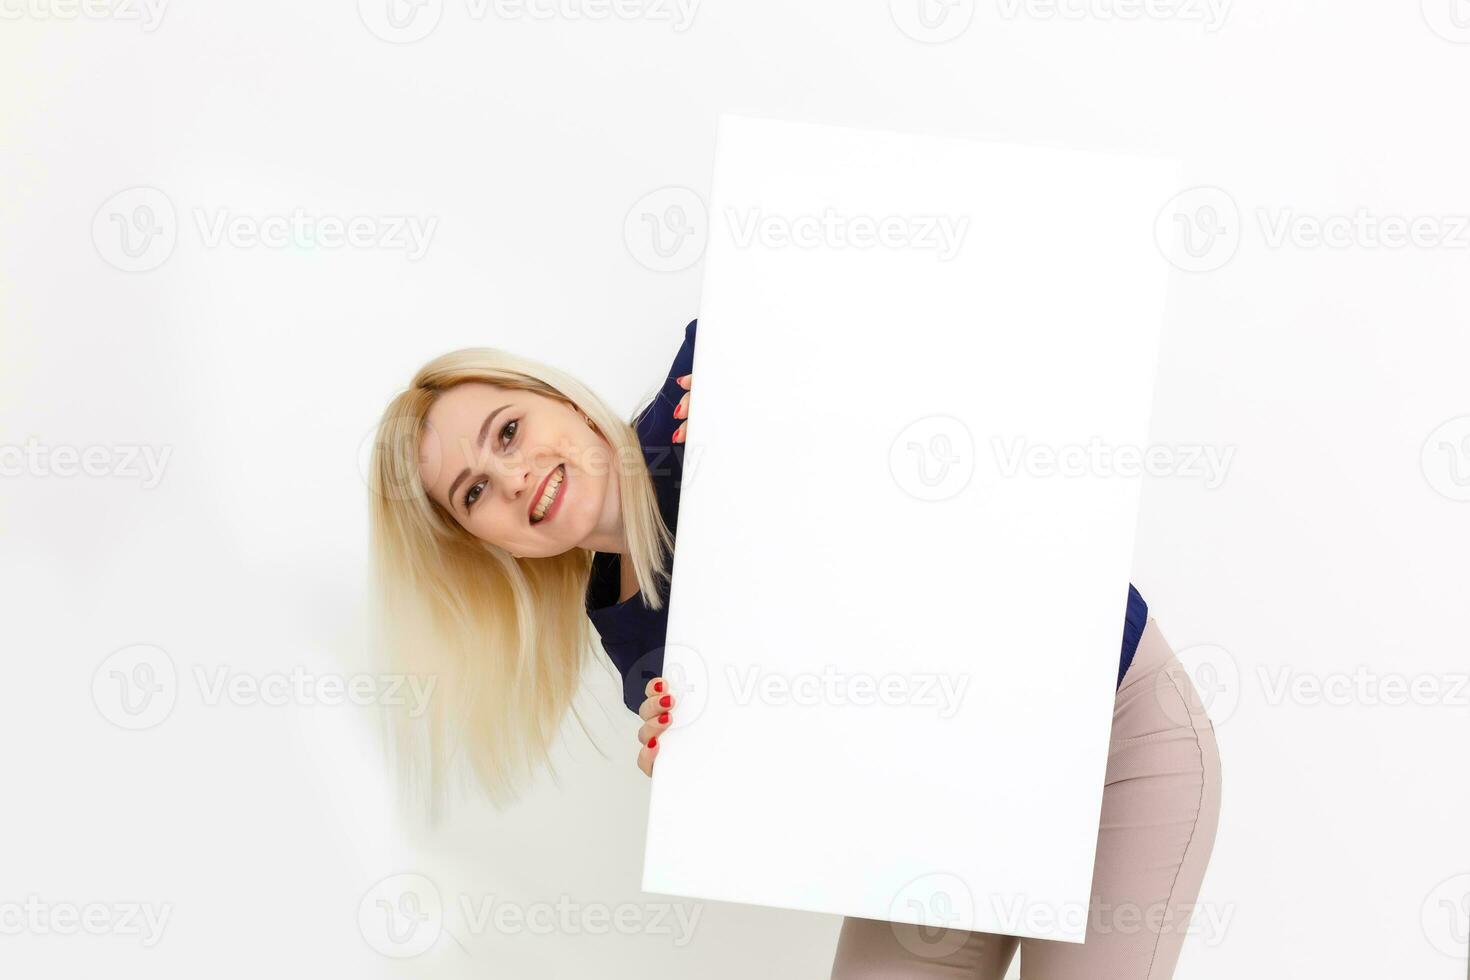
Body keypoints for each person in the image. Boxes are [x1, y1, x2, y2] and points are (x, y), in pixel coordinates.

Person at [368, 319, 1222, 978]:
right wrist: (711, 772)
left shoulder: (713, 370)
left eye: (508, 431)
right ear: (489, 544)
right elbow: (814, 764)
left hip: (1105, 726)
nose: (511, 477)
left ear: (563, 400)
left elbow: (949, 404)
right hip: (943, 814)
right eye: (473, 490)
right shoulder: (628, 631)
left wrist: (798, 377)